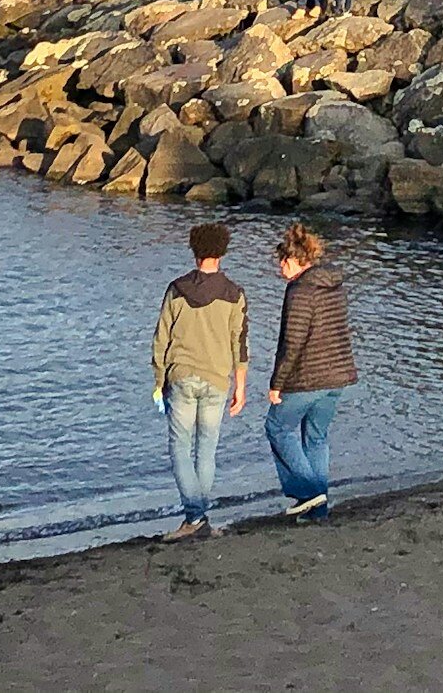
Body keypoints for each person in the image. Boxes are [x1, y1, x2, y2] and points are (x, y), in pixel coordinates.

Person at [150, 220, 248, 542]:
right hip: (218, 379)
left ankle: (194, 515)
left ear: (194, 251)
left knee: (180, 446)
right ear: (222, 251)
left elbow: (161, 339)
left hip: (181, 376)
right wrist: (241, 387)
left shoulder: (177, 289)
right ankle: (199, 517)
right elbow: (240, 343)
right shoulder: (235, 294)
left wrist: (158, 380)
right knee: (207, 449)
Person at [266, 223, 357, 521]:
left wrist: (277, 384)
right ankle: (318, 510)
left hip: (308, 376)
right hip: (338, 374)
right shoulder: (334, 284)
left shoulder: (300, 290)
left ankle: (307, 491)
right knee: (316, 438)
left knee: (277, 428)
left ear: (292, 260)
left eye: (281, 262)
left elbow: (293, 341)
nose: (279, 268)